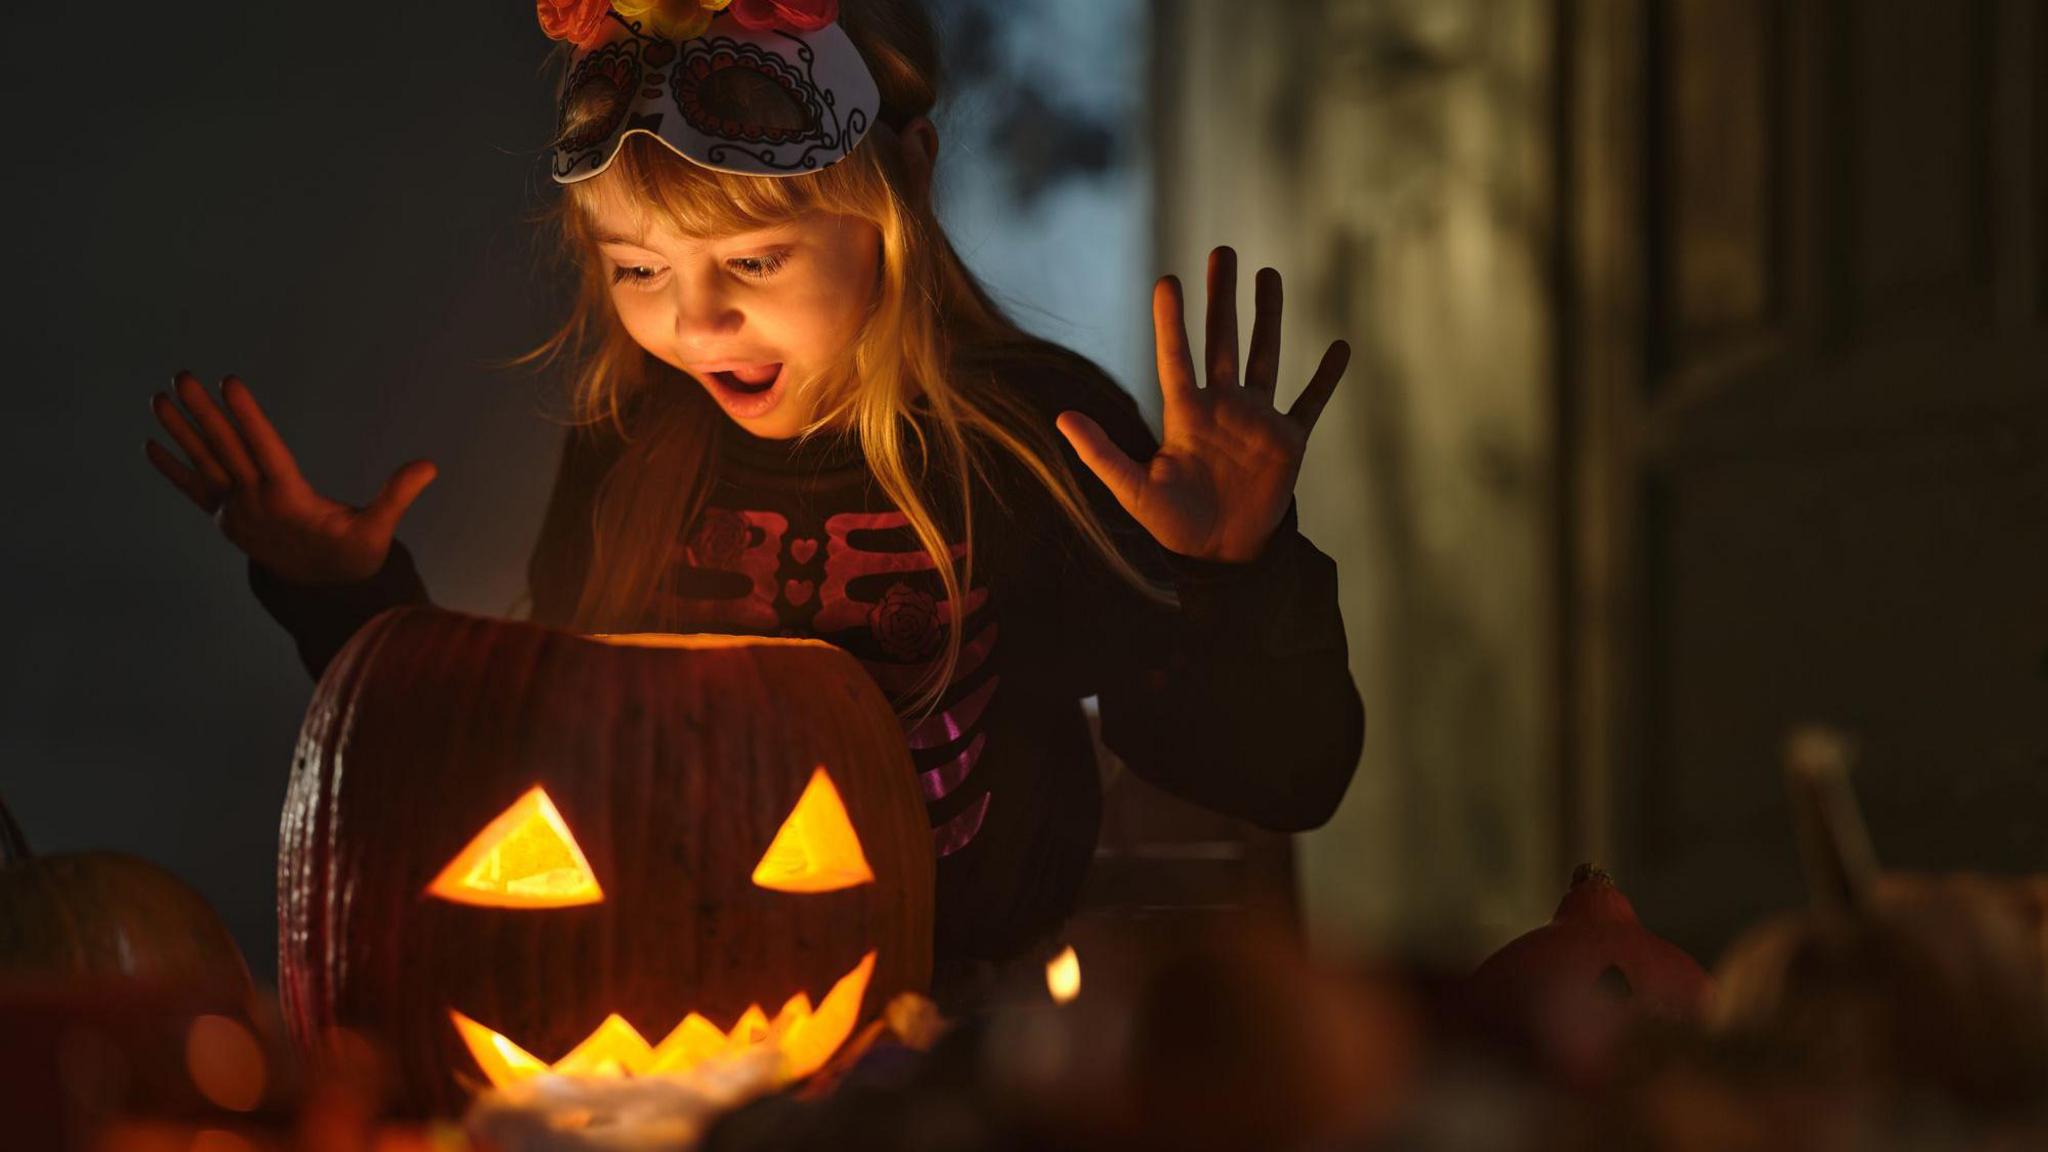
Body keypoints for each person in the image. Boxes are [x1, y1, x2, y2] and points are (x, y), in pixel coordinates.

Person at [142, 0, 1364, 1002]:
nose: (693, 320)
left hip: (965, 1018)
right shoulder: (633, 443)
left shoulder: (1035, 442)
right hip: (659, 990)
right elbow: (533, 765)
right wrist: (342, 596)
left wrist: (1232, 571)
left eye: (753, 261)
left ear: (900, 195)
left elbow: (1282, 779)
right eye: (638, 269)